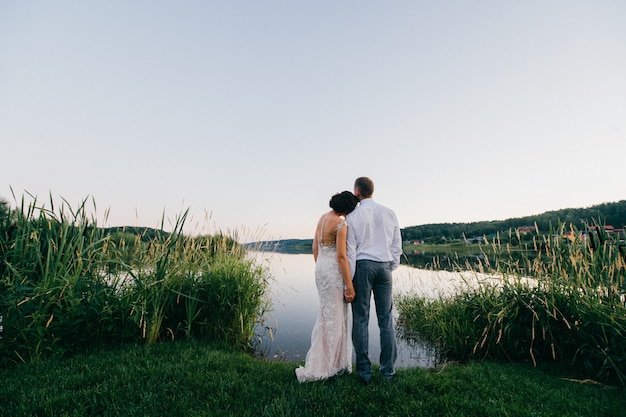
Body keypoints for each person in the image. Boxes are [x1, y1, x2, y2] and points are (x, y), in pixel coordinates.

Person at [295, 191, 360, 383]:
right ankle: (331, 365)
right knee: (336, 317)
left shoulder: (322, 218)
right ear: (347, 209)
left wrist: (321, 266)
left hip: (321, 269)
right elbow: (341, 257)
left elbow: (315, 247)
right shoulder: (341, 224)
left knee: (326, 315)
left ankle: (327, 362)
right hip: (333, 272)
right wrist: (349, 286)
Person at [346, 177, 402, 384]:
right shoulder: (389, 213)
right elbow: (397, 244)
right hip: (384, 267)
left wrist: (349, 282)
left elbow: (350, 252)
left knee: (360, 319)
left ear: (357, 191)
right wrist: (390, 266)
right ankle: (388, 372)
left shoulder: (353, 216)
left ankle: (364, 373)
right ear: (372, 191)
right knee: (386, 319)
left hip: (362, 267)